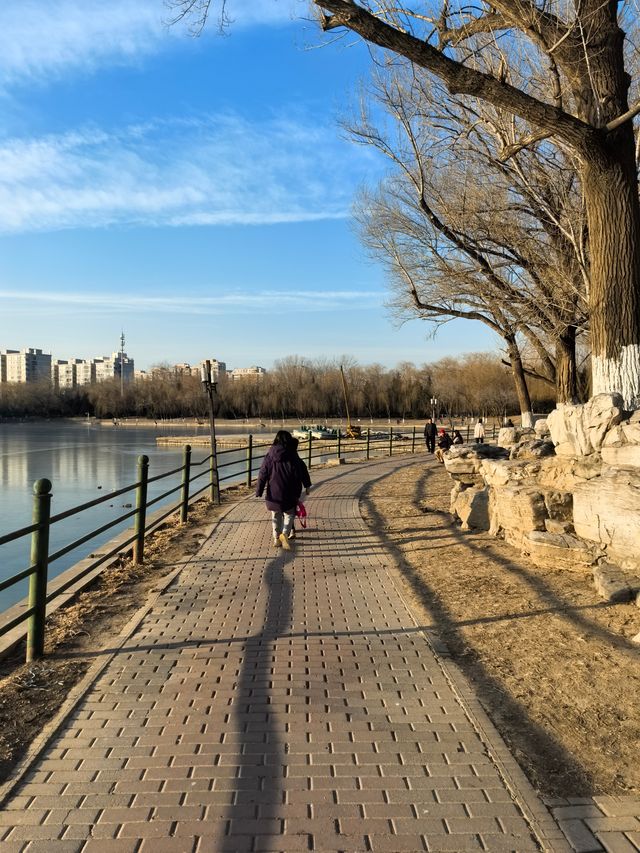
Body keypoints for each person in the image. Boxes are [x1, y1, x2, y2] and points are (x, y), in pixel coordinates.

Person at [256, 430, 311, 550]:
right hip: (290, 492)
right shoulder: (293, 454)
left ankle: (276, 538)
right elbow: (302, 470)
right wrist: (306, 485)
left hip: (274, 491)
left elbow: (262, 473)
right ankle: (285, 534)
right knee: (289, 514)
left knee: (275, 515)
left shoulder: (270, 455)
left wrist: (259, 490)